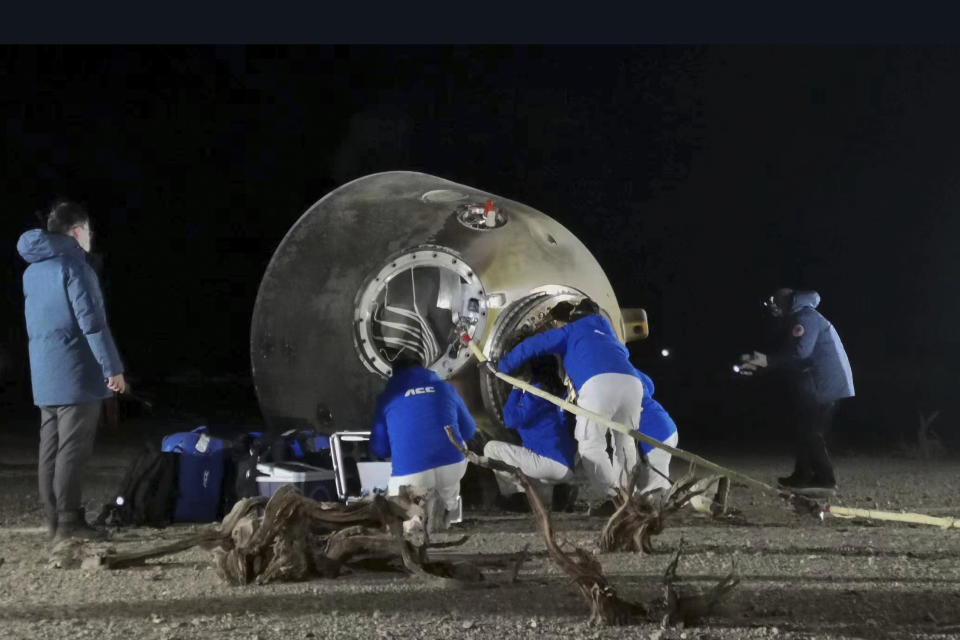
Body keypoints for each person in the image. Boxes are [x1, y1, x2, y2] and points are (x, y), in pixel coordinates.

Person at [17, 200, 126, 540]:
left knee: (49, 447)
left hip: (45, 373)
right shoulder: (76, 268)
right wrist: (113, 368)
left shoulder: (32, 271)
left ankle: (54, 518)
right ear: (77, 232)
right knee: (73, 449)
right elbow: (93, 324)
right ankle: (69, 521)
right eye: (89, 232)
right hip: (77, 373)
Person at [495, 298, 644, 513]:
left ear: (574, 319)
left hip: (597, 384)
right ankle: (630, 497)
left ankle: (613, 499)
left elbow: (533, 345)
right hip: (632, 384)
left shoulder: (573, 330)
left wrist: (503, 366)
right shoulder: (610, 336)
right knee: (625, 442)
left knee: (591, 446)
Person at [739, 288, 854, 492]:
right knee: (804, 429)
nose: (772, 308)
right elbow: (791, 357)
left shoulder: (805, 318)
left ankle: (826, 480)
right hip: (818, 381)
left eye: (775, 304)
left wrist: (766, 361)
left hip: (824, 383)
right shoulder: (801, 316)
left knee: (812, 432)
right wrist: (762, 365)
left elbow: (801, 354)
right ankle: (802, 475)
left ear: (787, 303)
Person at [369, 349, 476, 528]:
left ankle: (414, 519)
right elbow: (469, 430)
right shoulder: (446, 388)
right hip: (453, 467)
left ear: (394, 374)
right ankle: (449, 506)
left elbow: (380, 448)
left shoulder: (387, 397)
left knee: (400, 509)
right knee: (458, 447)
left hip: (413, 474)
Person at [483, 356, 577, 511]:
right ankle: (562, 492)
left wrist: (516, 389)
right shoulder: (561, 392)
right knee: (526, 461)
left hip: (548, 464)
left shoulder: (536, 392)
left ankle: (517, 497)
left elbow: (511, 420)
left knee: (491, 448)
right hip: (566, 465)